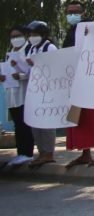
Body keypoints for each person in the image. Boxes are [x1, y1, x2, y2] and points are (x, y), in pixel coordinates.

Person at [61, 1, 94, 168]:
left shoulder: (90, 29)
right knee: (79, 118)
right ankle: (85, 153)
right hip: (75, 79)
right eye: (69, 12)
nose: (72, 15)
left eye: (75, 11)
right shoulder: (70, 32)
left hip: (90, 78)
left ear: (82, 13)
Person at [23, 19, 57, 168]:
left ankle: (49, 153)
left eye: (35, 33)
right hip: (34, 90)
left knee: (47, 123)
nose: (32, 36)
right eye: (30, 34)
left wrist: (37, 64)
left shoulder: (50, 48)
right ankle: (41, 152)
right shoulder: (31, 49)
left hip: (47, 90)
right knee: (35, 124)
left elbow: (55, 67)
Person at [2, 25, 33, 167]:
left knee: (24, 123)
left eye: (18, 35)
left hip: (24, 92)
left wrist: (20, 75)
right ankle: (21, 152)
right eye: (13, 36)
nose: (15, 39)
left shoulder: (28, 50)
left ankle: (27, 153)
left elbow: (33, 71)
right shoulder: (9, 52)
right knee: (17, 124)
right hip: (11, 92)